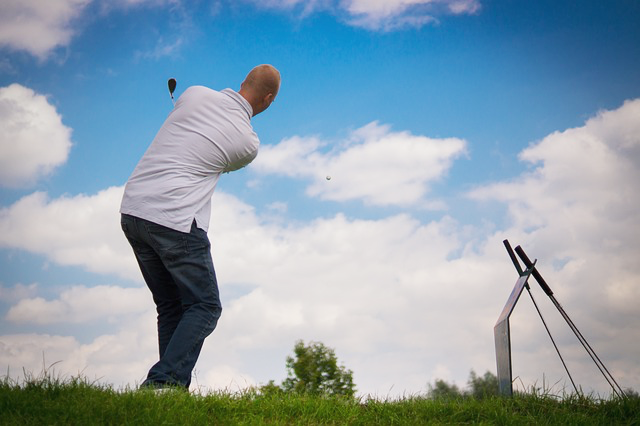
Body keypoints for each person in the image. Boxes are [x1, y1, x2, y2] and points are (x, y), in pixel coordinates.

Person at [119, 64, 281, 390]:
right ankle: (162, 382)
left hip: (133, 211)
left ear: (241, 82)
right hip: (174, 219)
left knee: (171, 305)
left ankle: (169, 391)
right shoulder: (247, 143)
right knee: (205, 305)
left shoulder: (193, 94)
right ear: (268, 99)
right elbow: (221, 158)